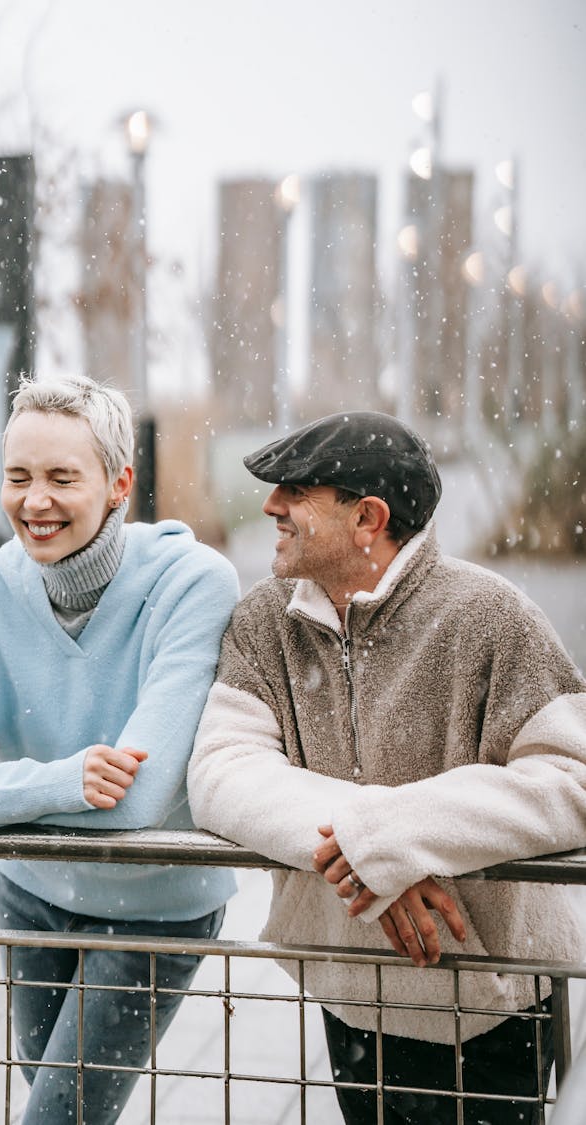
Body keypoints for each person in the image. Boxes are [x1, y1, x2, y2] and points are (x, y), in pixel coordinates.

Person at [188, 410, 586, 1124]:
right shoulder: (262, 622)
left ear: (368, 517)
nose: (271, 506)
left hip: (490, 1009)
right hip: (352, 991)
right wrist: (368, 850)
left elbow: (573, 777)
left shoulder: (493, 617)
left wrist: (399, 835)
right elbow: (220, 772)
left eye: (295, 492)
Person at [0, 374, 239, 1125]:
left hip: (153, 907)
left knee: (55, 1119)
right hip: (30, 894)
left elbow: (136, 801)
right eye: (18, 476)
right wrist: (57, 783)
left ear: (119, 484)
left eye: (60, 477)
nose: (33, 500)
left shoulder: (192, 585)